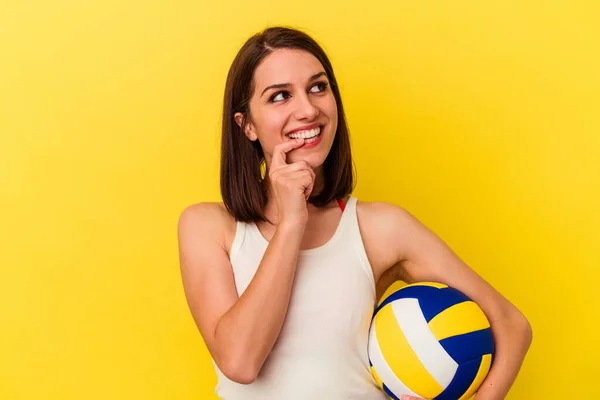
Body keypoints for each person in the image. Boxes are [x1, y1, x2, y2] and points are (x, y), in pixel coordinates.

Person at [177, 26, 532, 400]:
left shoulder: (380, 228)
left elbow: (511, 325)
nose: (308, 109)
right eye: (280, 96)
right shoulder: (208, 227)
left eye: (318, 87)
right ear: (246, 124)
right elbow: (240, 361)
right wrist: (292, 222)